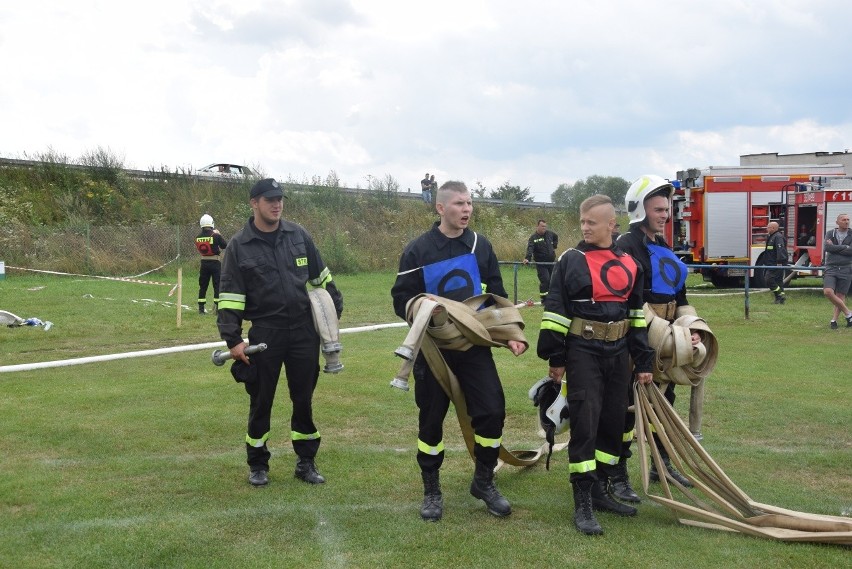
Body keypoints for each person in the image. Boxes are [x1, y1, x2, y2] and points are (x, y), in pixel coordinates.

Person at [391, 180, 527, 521]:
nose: (466, 210)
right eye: (458, 204)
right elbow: (400, 299)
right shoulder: (418, 250)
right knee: (431, 422)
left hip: (474, 348)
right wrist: (425, 310)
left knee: (492, 410)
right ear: (440, 208)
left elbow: (495, 294)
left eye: (469, 203)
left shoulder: (481, 246)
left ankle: (483, 481)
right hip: (433, 352)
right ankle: (432, 491)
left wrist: (512, 333)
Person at [537, 194, 654, 536]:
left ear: (611, 226)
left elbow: (636, 316)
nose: (585, 228)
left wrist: (643, 360)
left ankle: (602, 491)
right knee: (585, 425)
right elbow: (556, 311)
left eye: (592, 223)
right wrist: (556, 359)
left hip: (619, 355)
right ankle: (583, 503)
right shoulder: (570, 260)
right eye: (582, 222)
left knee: (613, 422)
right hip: (582, 352)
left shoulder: (631, 264)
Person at [217, 178, 344, 487]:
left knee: (304, 400)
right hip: (265, 335)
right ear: (254, 203)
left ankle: (306, 462)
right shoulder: (239, 246)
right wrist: (233, 340)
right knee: (261, 401)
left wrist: (331, 315)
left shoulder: (298, 236)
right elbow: (230, 296)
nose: (277, 204)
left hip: (303, 332)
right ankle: (258, 464)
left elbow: (322, 281)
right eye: (269, 199)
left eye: (280, 199)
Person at [615, 175, 699, 502]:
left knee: (665, 403)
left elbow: (680, 295)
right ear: (640, 209)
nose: (665, 215)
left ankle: (661, 465)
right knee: (626, 408)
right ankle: (618, 474)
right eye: (658, 209)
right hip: (637, 338)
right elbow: (626, 300)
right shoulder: (625, 246)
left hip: (666, 340)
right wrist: (655, 335)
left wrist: (691, 328)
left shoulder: (664, 247)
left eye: (667, 209)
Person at [823, 213, 852, 329]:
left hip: (846, 268)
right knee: (828, 292)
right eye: (844, 219)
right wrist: (845, 247)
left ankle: (834, 321)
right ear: (837, 222)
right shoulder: (830, 233)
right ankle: (848, 313)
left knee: (840, 295)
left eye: (848, 219)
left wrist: (835, 248)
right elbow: (827, 248)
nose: (846, 221)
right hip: (831, 267)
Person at [194, 214, 228, 315]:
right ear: (211, 223)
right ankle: (217, 309)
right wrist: (219, 234)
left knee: (203, 285)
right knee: (217, 285)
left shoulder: (198, 237)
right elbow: (224, 245)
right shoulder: (215, 235)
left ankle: (201, 309)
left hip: (204, 263)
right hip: (215, 263)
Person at [523, 219, 559, 302]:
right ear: (537, 226)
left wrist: (554, 245)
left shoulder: (550, 234)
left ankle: (552, 298)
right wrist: (527, 258)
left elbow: (556, 237)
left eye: (545, 226)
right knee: (545, 280)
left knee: (553, 280)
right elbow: (530, 248)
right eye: (542, 226)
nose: (544, 228)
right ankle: (544, 299)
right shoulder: (533, 238)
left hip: (551, 263)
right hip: (541, 264)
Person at [764, 221, 788, 304]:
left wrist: (779, 262)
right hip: (771, 263)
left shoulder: (778, 237)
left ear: (773, 228)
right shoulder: (772, 236)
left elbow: (780, 250)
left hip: (776, 264)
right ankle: (780, 298)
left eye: (768, 227)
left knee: (768, 279)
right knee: (778, 281)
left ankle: (779, 295)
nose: (767, 229)